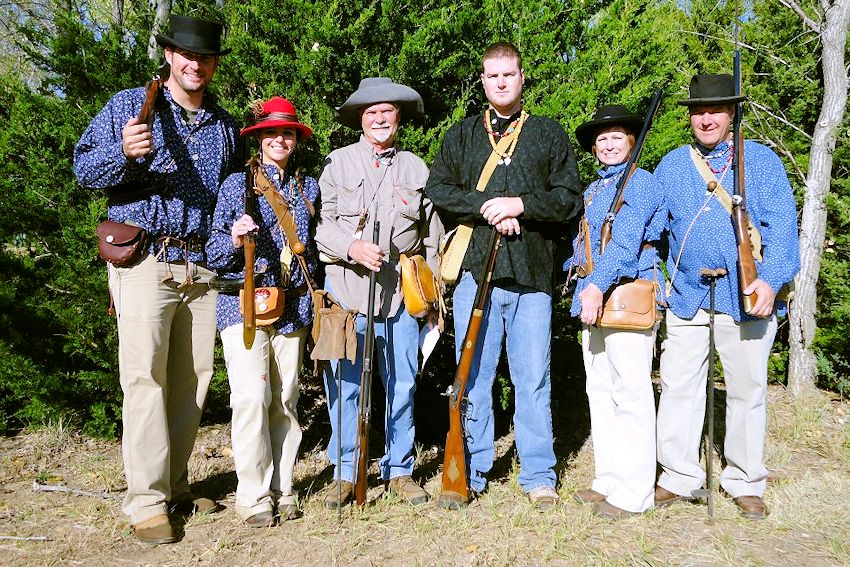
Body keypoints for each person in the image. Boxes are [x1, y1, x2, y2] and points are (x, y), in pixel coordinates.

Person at [73, 14, 239, 544]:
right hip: (145, 261)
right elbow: (83, 170)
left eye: (206, 57)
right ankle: (145, 502)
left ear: (213, 65)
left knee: (192, 384)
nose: (196, 64)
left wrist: (223, 250)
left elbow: (229, 197)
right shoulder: (129, 106)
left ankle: (175, 484)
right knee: (144, 380)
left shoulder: (225, 125)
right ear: (168, 55)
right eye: (186, 55)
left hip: (201, 266)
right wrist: (122, 152)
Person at [425, 42, 582, 508]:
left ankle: (538, 475)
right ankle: (472, 468)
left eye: (508, 75)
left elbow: (569, 198)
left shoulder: (549, 134)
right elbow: (438, 188)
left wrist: (522, 206)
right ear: (482, 81)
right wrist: (488, 208)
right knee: (474, 377)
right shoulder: (463, 135)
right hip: (477, 272)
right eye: (492, 76)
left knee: (533, 378)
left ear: (521, 77)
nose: (500, 83)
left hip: (532, 274)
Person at [653, 74, 800, 519]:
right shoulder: (672, 165)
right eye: (699, 110)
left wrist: (769, 283)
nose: (707, 118)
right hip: (687, 295)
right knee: (679, 386)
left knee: (747, 391)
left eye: (716, 110)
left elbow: (784, 232)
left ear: (732, 113)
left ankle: (744, 478)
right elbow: (652, 232)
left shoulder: (762, 162)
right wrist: (656, 280)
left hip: (746, 298)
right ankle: (679, 476)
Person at [314, 77, 444, 507]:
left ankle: (400, 470)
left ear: (398, 117)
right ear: (361, 120)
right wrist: (351, 247)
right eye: (371, 113)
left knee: (403, 383)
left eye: (387, 111)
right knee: (346, 386)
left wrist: (432, 296)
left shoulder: (417, 168)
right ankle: (346, 472)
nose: (379, 118)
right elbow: (321, 228)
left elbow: (432, 238)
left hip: (400, 298)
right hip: (349, 295)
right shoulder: (337, 164)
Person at [206, 97, 318, 527]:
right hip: (243, 308)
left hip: (292, 307)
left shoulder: (308, 188)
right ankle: (253, 496)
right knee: (252, 399)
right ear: (259, 138)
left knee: (285, 401)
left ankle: (283, 488)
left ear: (295, 140)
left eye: (287, 132)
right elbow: (214, 252)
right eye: (271, 132)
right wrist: (234, 238)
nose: (280, 139)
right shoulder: (238, 184)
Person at [568, 105, 665, 518]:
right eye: (601, 139)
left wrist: (593, 286)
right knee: (601, 391)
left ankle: (635, 491)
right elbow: (585, 246)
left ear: (631, 142)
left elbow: (625, 248)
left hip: (624, 294)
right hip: (594, 297)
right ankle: (608, 478)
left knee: (632, 394)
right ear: (594, 148)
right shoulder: (593, 190)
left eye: (617, 136)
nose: (609, 144)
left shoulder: (640, 183)